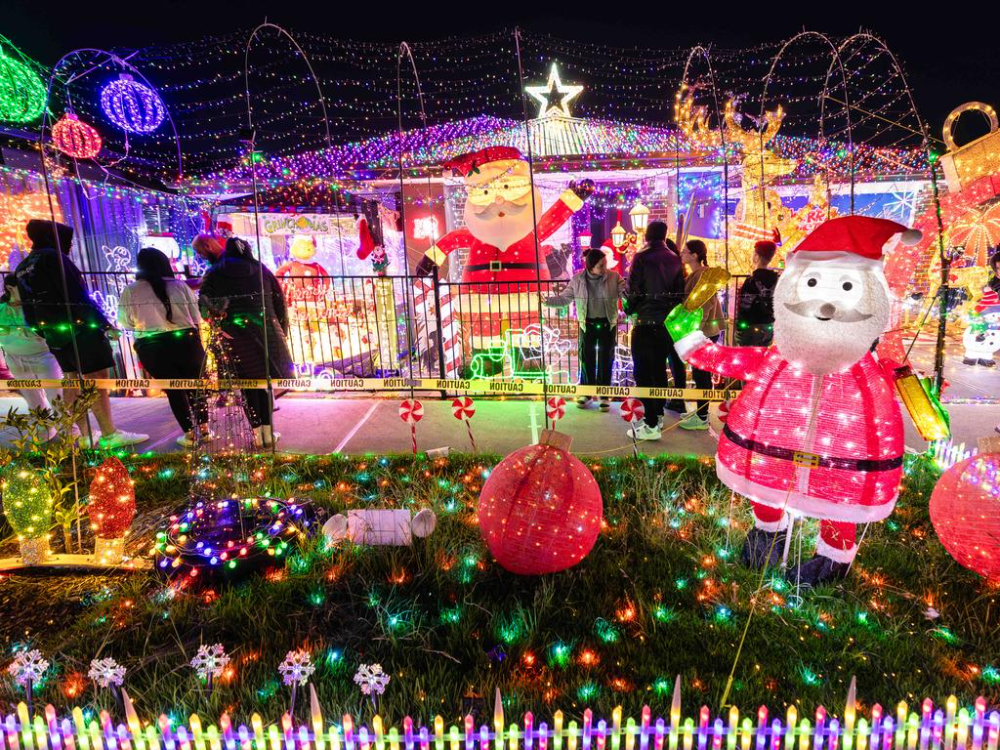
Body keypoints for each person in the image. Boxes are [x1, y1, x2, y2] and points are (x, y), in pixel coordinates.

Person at [14, 220, 147, 448]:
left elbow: (27, 306)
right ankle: (109, 434)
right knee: (96, 379)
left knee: (71, 379)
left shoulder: (23, 266)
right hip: (80, 329)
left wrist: (42, 330)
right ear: (56, 238)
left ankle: (85, 435)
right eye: (69, 241)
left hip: (55, 332)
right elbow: (77, 296)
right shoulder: (54, 258)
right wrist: (104, 324)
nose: (71, 246)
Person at [196, 234, 293, 448]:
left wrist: (219, 323)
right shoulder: (262, 270)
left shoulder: (215, 272)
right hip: (267, 335)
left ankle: (257, 435)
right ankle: (268, 434)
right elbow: (279, 303)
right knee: (264, 385)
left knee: (248, 388)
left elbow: (204, 304)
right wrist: (281, 331)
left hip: (234, 339)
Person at [118, 247, 209, 447]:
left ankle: (190, 435)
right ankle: (205, 429)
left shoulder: (131, 290)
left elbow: (125, 323)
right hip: (186, 342)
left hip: (152, 346)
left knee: (174, 390)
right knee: (196, 386)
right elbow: (196, 316)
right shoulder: (179, 286)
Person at [622, 220, 687, 440]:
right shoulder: (675, 258)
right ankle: (657, 416)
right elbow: (679, 293)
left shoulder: (641, 257)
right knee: (659, 370)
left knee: (642, 373)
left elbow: (633, 290)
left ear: (647, 235)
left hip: (644, 321)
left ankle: (650, 424)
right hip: (665, 323)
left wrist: (629, 308)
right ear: (664, 235)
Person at [545, 248, 625, 410]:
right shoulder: (577, 280)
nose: (604, 269)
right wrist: (547, 301)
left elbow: (625, 293)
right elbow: (565, 299)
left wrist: (630, 300)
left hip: (608, 324)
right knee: (586, 358)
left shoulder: (614, 277)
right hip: (586, 324)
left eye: (605, 265)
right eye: (600, 266)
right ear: (590, 266)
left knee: (606, 359)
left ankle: (604, 395)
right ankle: (587, 394)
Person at [0, 275, 63, 431]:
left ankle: (69, 432)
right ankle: (45, 432)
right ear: (10, 288)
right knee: (33, 401)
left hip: (43, 356)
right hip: (14, 358)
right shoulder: (2, 309)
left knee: (56, 398)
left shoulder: (35, 307)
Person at [678, 240, 725, 431]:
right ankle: (700, 413)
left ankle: (703, 417)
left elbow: (705, 304)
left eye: (685, 251)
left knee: (701, 374)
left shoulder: (702, 275)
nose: (682, 254)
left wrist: (696, 328)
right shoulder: (698, 274)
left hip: (703, 331)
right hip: (704, 330)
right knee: (700, 373)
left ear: (694, 255)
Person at [734, 240, 779, 347]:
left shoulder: (751, 281)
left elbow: (744, 307)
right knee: (763, 354)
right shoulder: (777, 280)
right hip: (768, 326)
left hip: (750, 327)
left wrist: (739, 328)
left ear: (756, 256)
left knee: (748, 356)